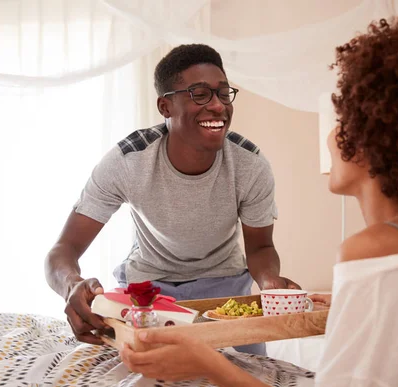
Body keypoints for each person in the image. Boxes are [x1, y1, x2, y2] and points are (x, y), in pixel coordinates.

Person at [118, 2, 398, 387]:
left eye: (340, 122)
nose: (329, 137)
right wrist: (348, 302)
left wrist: (205, 358)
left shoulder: (373, 251)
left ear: (371, 140)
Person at [45, 44, 299, 355]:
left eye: (223, 93)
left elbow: (260, 248)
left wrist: (269, 280)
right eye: (200, 94)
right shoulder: (127, 161)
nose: (218, 106)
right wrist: (72, 286)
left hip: (227, 291)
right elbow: (63, 250)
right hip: (147, 294)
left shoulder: (251, 165)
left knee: (246, 380)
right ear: (165, 107)